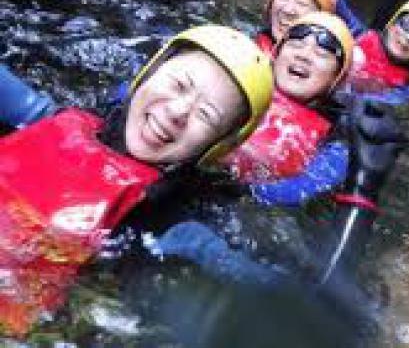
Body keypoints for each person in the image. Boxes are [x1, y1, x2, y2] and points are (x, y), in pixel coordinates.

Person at [0, 25, 274, 335]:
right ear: (147, 74)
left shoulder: (162, 222)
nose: (177, 111)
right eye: (179, 84)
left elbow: (254, 281)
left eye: (206, 115)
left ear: (215, 147)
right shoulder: (51, 119)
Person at [223, 11, 356, 205]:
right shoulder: (233, 81)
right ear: (275, 55)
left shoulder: (335, 140)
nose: (304, 55)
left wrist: (238, 189)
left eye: (321, 53)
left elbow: (300, 190)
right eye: (296, 44)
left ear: (336, 78)